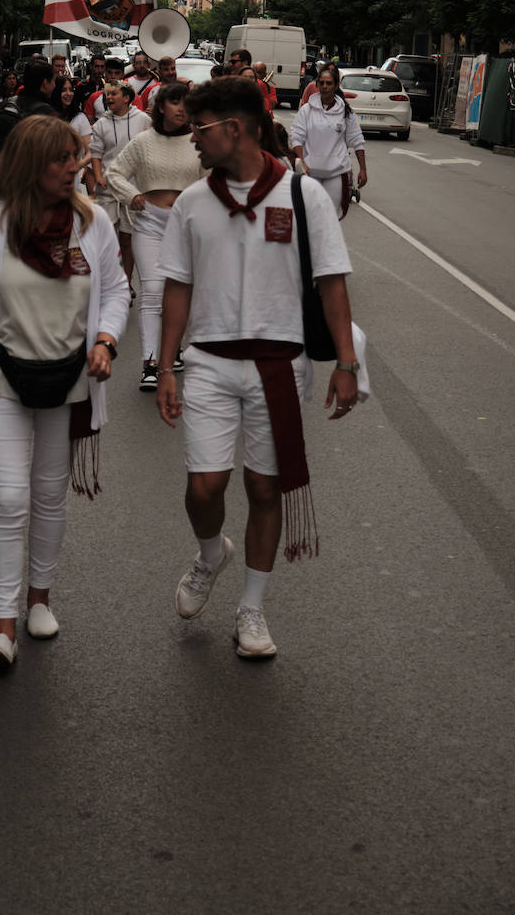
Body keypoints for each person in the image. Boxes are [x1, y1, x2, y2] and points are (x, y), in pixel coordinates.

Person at [156, 77, 361, 659]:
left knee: (263, 486)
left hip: (280, 363)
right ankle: (209, 555)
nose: (192, 139)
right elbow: (177, 286)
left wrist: (346, 362)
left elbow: (331, 283)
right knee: (205, 486)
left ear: (235, 128)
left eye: (200, 128)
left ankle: (252, 609)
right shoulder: (195, 202)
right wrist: (166, 366)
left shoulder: (302, 195)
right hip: (211, 364)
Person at [0, 116, 130, 670]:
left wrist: (106, 340)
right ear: (34, 165)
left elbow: (116, 290)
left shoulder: (94, 222)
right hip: (3, 380)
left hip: (70, 380)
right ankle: (3, 625)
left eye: (77, 157)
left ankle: (40, 597)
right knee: (9, 500)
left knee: (49, 494)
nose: (76, 168)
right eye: (64, 159)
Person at [105, 83, 203, 390]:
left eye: (186, 104)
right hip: (149, 223)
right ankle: (150, 364)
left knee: (182, 291)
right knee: (152, 290)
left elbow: (213, 180)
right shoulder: (143, 141)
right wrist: (131, 194)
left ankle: (172, 350)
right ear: (161, 107)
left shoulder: (198, 142)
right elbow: (114, 174)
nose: (181, 109)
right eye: (175, 103)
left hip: (186, 226)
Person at [89, 81, 152, 293]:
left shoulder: (143, 120)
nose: (108, 98)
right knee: (107, 237)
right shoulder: (100, 124)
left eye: (113, 94)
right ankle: (107, 282)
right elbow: (96, 154)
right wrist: (98, 176)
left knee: (127, 237)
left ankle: (126, 284)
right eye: (107, 95)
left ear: (126, 97)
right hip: (107, 188)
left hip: (133, 189)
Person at [290, 64, 367, 219]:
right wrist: (302, 162)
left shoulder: (346, 112)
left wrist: (363, 169)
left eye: (329, 83)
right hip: (310, 172)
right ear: (317, 84)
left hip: (336, 173)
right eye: (322, 83)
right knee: (309, 215)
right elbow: (296, 137)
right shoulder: (307, 110)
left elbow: (357, 140)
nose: (324, 87)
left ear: (336, 85)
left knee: (330, 217)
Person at [0, 59, 57, 165]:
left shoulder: (5, 104)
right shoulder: (46, 114)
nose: (55, 85)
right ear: (45, 83)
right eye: (53, 81)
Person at [51, 76, 93, 190]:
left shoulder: (80, 118)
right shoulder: (47, 116)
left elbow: (90, 151)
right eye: (63, 90)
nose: (68, 93)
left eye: (71, 89)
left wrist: (77, 166)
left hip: (72, 182)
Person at [82, 54, 126, 122]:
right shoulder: (94, 97)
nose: (113, 76)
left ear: (122, 75)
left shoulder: (131, 97)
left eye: (117, 73)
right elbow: (88, 124)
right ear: (105, 73)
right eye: (109, 72)